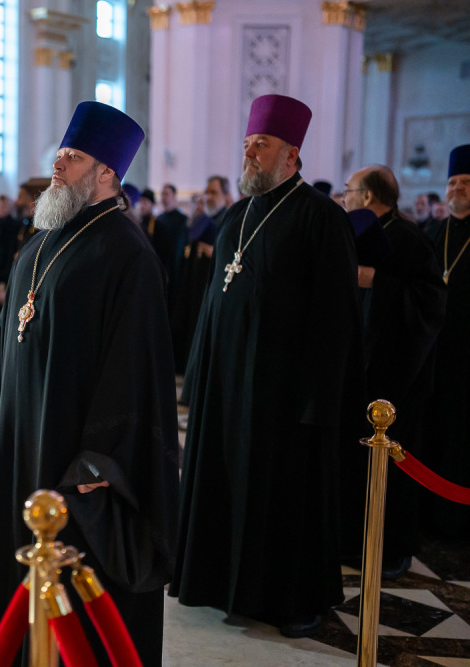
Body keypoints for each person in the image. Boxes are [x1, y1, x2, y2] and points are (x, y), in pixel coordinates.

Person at [0, 101, 179, 667]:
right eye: (60, 154)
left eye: (74, 156)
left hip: (73, 462)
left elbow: (132, 370)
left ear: (107, 171)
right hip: (23, 442)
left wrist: (99, 460)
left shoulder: (128, 252)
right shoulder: (42, 240)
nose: (58, 165)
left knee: (76, 595)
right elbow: (9, 337)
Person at [171, 94, 364, 638]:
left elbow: (336, 318)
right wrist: (199, 378)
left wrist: (318, 400)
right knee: (225, 487)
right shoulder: (236, 215)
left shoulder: (322, 218)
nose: (250, 153)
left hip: (285, 395)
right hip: (226, 387)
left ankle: (291, 601)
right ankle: (216, 585)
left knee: (284, 499)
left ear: (291, 155)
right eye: (247, 144)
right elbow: (214, 302)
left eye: (262, 144)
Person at [340, 166, 445, 576]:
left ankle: (394, 548)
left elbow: (430, 302)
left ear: (368, 196)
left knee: (394, 466)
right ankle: (354, 540)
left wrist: (377, 281)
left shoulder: (407, 237)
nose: (345, 197)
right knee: (357, 462)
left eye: (350, 190)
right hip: (362, 368)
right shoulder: (364, 232)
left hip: (399, 374)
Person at [422, 144, 470, 538]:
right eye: (453, 182)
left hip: (467, 356)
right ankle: (430, 516)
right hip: (434, 352)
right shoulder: (433, 233)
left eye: (466, 182)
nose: (457, 188)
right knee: (433, 432)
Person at [171, 176, 226, 375]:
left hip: (213, 287)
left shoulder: (227, 218)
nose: (208, 197)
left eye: (214, 192)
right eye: (207, 192)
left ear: (225, 195)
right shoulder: (205, 218)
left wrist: (215, 253)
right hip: (196, 283)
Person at [154, 183, 189, 307]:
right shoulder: (159, 219)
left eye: (166, 194)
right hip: (161, 264)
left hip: (176, 267)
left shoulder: (182, 219)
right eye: (162, 194)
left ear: (174, 196)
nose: (163, 197)